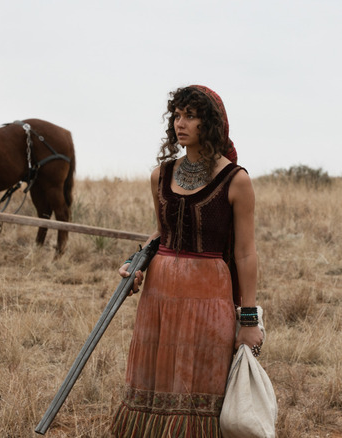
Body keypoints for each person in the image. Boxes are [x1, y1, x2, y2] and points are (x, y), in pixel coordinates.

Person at [110, 85, 264, 437]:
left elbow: (245, 253)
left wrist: (249, 319)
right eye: (177, 115)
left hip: (209, 296)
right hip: (159, 294)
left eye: (190, 116)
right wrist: (135, 264)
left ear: (209, 124)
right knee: (156, 380)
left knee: (199, 385)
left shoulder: (235, 180)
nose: (181, 123)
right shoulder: (160, 175)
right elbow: (160, 233)